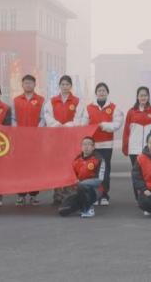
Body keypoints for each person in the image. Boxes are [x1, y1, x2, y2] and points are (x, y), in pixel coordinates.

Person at [77, 82, 124, 206]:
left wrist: (104, 125)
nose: (101, 93)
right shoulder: (89, 108)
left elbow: (117, 124)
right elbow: (83, 124)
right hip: (91, 146)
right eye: (99, 91)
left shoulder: (114, 107)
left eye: (103, 90)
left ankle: (104, 195)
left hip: (106, 145)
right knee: (91, 170)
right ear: (96, 93)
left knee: (104, 171)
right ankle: (93, 195)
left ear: (107, 93)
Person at [44, 75, 86, 205]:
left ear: (71, 86)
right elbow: (47, 115)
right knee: (57, 166)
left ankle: (70, 193)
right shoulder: (52, 101)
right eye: (62, 84)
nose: (65, 86)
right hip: (56, 139)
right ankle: (58, 194)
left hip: (71, 138)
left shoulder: (77, 101)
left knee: (71, 165)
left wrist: (69, 125)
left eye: (67, 84)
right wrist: (57, 125)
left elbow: (80, 118)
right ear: (59, 86)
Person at [12, 74, 45, 206]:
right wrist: (18, 132)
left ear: (35, 84)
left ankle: (33, 195)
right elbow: (13, 118)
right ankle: (20, 195)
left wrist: (36, 132)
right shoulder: (16, 100)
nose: (28, 85)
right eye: (26, 83)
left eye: (30, 83)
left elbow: (43, 118)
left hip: (35, 140)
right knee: (20, 167)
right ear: (22, 85)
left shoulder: (41, 100)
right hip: (20, 140)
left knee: (34, 167)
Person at [58, 137, 106, 218]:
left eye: (89, 144)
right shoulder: (76, 160)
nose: (86, 147)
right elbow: (70, 176)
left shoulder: (99, 159)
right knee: (62, 211)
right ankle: (82, 206)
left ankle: (89, 209)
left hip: (95, 190)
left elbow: (99, 180)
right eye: (84, 144)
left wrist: (81, 183)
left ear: (93, 147)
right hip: (78, 189)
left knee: (83, 186)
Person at [122, 86, 151, 165]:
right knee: (136, 171)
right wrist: (125, 146)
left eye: (145, 95)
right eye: (141, 95)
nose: (143, 98)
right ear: (137, 97)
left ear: (148, 97)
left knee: (149, 171)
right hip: (134, 150)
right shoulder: (131, 112)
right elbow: (126, 132)